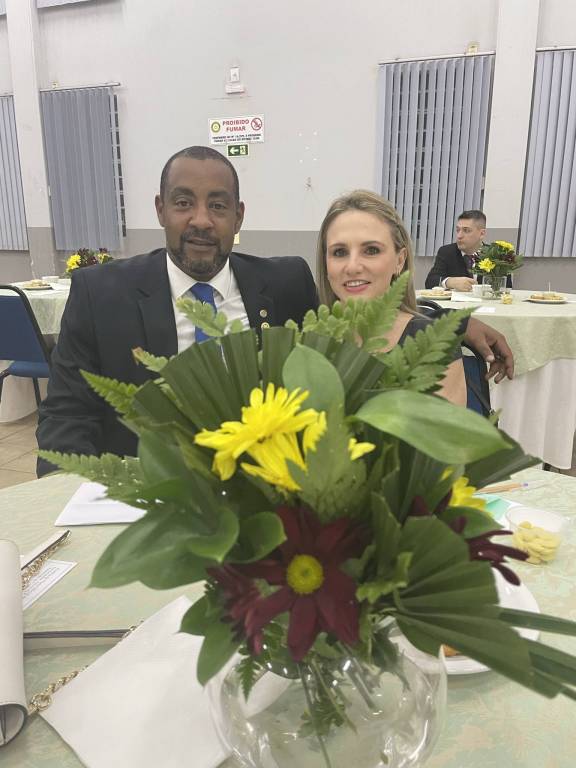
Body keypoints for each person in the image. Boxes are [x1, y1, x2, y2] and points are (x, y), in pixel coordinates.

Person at [36, 146, 318, 476]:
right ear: (161, 210)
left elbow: (320, 396)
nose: (201, 220)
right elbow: (67, 416)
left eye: (218, 206)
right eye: (183, 203)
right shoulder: (99, 295)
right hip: (146, 490)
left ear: (238, 216)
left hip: (267, 485)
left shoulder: (288, 285)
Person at [317, 190, 467, 405]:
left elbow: (448, 425)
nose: (352, 267)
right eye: (339, 252)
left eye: (371, 250)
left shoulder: (433, 341)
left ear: (400, 260)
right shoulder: (312, 341)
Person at [425, 210, 511, 292]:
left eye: (466, 230)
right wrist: (450, 282)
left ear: (482, 234)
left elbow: (507, 288)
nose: (459, 236)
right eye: (458, 230)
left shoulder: (496, 255)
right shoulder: (447, 252)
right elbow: (430, 282)